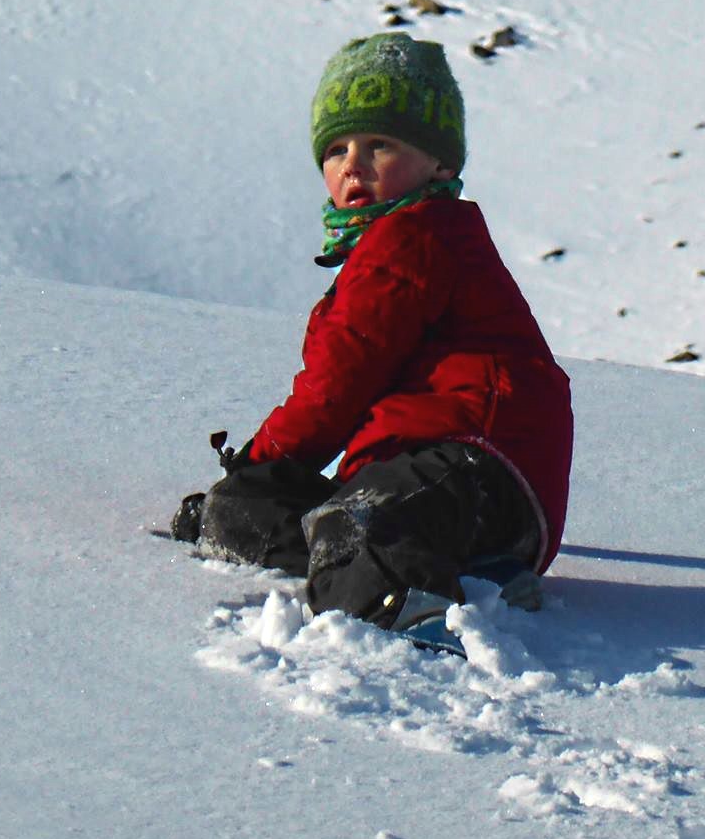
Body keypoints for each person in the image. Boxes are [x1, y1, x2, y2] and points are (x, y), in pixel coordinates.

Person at [171, 33, 573, 653]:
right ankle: (477, 580)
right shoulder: (386, 246)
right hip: (437, 482)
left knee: (353, 524)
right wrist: (253, 486)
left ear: (439, 163)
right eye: (336, 150)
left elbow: (340, 384)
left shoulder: (415, 236)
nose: (352, 165)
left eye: (379, 144)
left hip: (476, 462)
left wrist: (263, 457)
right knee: (254, 510)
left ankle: (412, 622)